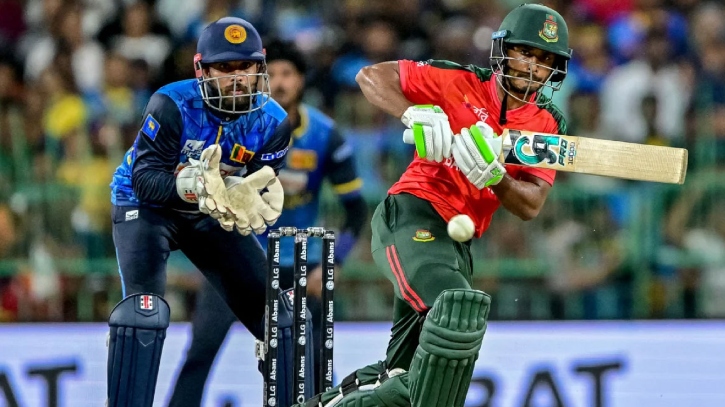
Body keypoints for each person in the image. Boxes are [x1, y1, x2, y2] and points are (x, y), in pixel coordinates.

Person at [294, 4, 571, 407]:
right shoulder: (458, 80)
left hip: (456, 245)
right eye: (525, 52)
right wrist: (414, 114)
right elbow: (370, 76)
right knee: (457, 310)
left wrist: (496, 177)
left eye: (545, 60)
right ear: (503, 50)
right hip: (413, 214)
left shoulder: (547, 123)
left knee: (407, 376)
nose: (532, 67)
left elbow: (530, 205)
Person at [106, 17, 308, 407]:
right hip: (145, 208)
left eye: (246, 66)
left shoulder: (274, 124)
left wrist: (240, 195)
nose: (238, 78)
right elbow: (144, 180)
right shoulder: (171, 104)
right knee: (142, 314)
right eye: (225, 68)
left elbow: (253, 190)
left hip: (210, 213)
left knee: (284, 320)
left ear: (260, 66)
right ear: (202, 70)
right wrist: (196, 186)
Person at [166, 39, 368, 407]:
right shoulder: (234, 126)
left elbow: (356, 210)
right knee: (201, 350)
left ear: (301, 80)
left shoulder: (325, 135)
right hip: (237, 257)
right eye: (270, 73)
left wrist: (332, 265)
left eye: (287, 73)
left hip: (301, 266)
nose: (279, 82)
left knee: (315, 361)